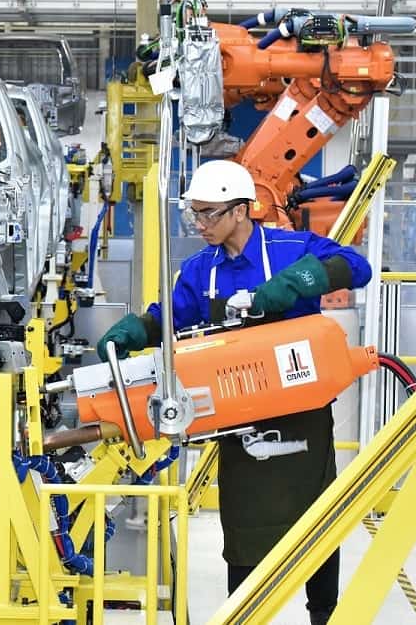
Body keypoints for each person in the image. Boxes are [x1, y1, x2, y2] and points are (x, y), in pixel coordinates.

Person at [95, 159, 372, 625]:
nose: (200, 225)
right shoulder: (201, 270)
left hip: (303, 412)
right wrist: (134, 329)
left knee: (317, 523)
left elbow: (357, 266)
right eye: (195, 215)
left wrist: (297, 282)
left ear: (242, 210)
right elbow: (169, 319)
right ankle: (242, 615)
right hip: (240, 416)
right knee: (243, 527)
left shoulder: (287, 249)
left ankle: (324, 614)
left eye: (209, 214)